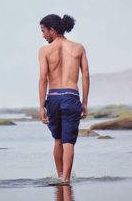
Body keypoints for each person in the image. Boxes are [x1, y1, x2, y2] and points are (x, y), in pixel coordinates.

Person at [38, 14, 90, 185]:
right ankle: (66, 180)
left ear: (52, 30)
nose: (43, 35)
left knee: (58, 140)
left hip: (53, 97)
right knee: (69, 142)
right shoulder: (78, 48)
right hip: (71, 96)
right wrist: (84, 103)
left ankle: (60, 177)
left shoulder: (44, 51)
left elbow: (43, 79)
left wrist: (41, 107)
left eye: (44, 31)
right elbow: (86, 76)